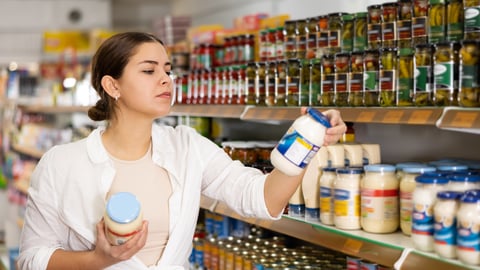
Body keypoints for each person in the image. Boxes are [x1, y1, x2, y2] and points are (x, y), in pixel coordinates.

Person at [18, 31, 346, 270]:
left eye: (168, 69)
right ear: (112, 85)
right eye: (149, 70)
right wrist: (98, 259)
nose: (166, 79)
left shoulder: (187, 147)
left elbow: (262, 198)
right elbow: (32, 259)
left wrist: (309, 139)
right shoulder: (62, 164)